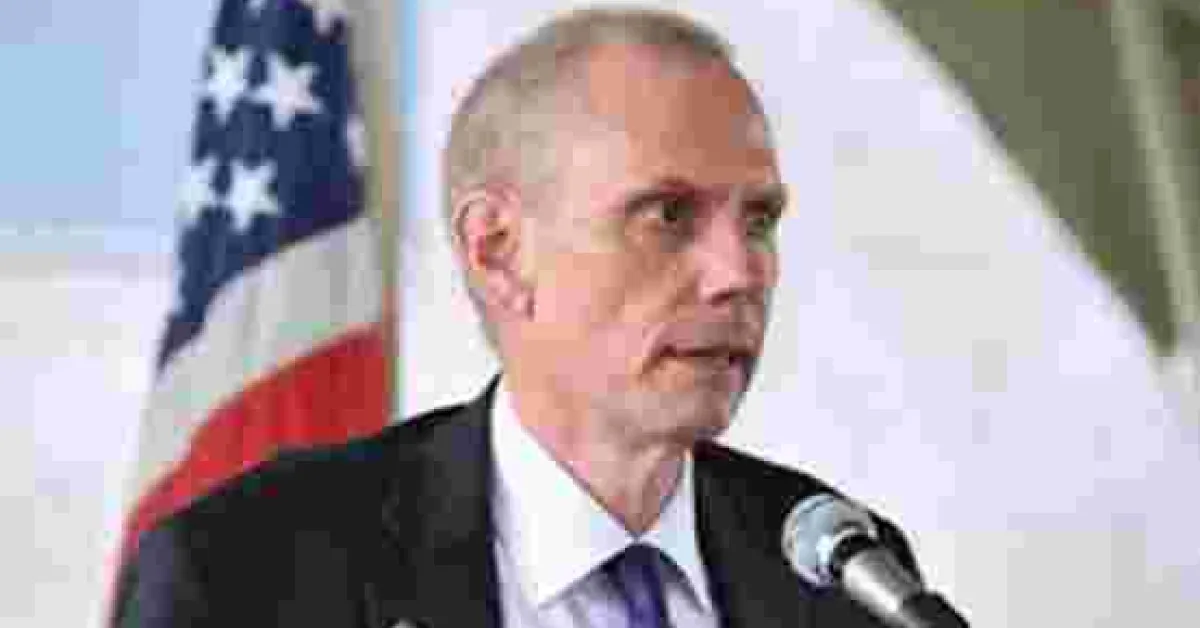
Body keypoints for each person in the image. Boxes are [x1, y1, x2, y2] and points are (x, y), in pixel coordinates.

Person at [115, 7, 923, 627]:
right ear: (498, 251)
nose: (739, 273)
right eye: (668, 215)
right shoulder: (249, 571)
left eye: (759, 220)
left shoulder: (846, 576)